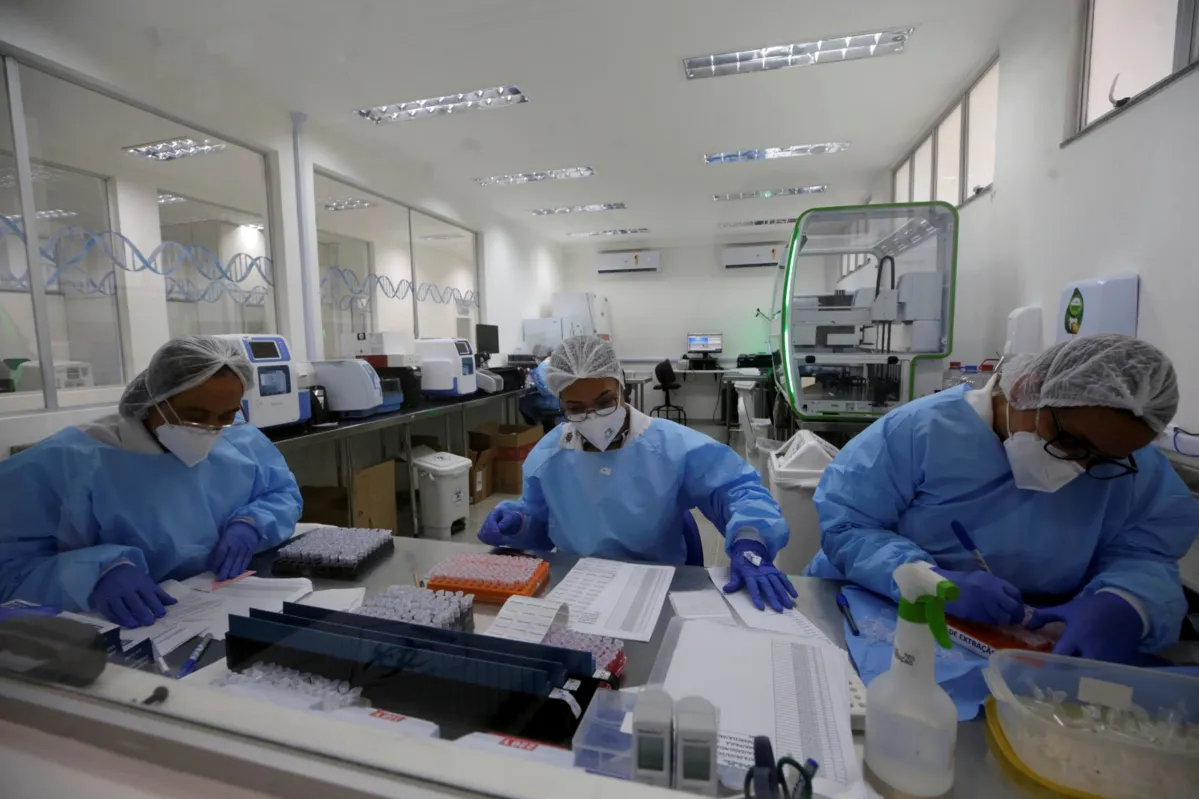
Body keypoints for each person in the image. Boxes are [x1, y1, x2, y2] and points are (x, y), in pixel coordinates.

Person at [806, 333, 1199, 664]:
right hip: (884, 615)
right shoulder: (920, 432)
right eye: (1072, 443)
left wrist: (1127, 600)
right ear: (1027, 389)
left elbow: (1147, 552)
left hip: (1040, 643)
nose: (1081, 467)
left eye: (1104, 461)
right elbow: (849, 525)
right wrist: (929, 580)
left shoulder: (1132, 464)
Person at [0, 335, 303, 628]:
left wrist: (252, 523)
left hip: (215, 605)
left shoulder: (238, 438)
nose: (211, 428)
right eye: (195, 414)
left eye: (225, 415)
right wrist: (95, 572)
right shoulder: (68, 463)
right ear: (156, 398)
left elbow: (282, 493)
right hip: (119, 627)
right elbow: (9, 568)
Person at [479, 335, 797, 612]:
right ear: (560, 405)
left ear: (623, 389)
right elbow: (538, 522)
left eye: (605, 402)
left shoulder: (670, 446)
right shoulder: (549, 456)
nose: (594, 417)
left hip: (656, 585)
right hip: (577, 587)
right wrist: (517, 522)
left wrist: (751, 541)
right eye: (576, 408)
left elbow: (734, 489)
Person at [518, 344, 560, 433]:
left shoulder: (542, 366)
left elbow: (545, 391)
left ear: (537, 356)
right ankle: (544, 425)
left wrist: (535, 378)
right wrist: (534, 374)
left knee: (523, 402)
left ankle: (536, 428)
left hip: (553, 401)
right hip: (561, 400)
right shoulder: (555, 362)